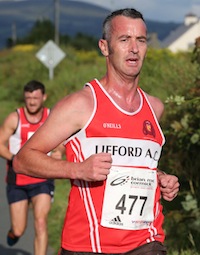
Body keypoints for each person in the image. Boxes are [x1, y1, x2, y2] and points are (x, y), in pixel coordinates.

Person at [13, 9, 180, 255]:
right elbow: (23, 159)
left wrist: (161, 177)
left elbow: (138, 164)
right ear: (105, 47)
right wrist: (77, 169)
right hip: (90, 245)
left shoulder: (154, 107)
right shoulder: (82, 104)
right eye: (124, 40)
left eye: (141, 40)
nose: (134, 48)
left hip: (147, 242)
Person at [0, 80, 62, 255]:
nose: (32, 102)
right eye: (28, 98)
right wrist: (16, 158)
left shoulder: (52, 117)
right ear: (24, 98)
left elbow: (61, 143)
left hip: (42, 178)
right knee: (19, 230)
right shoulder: (15, 118)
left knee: (41, 221)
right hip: (17, 179)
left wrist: (59, 152)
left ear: (44, 97)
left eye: (35, 98)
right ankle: (14, 233)